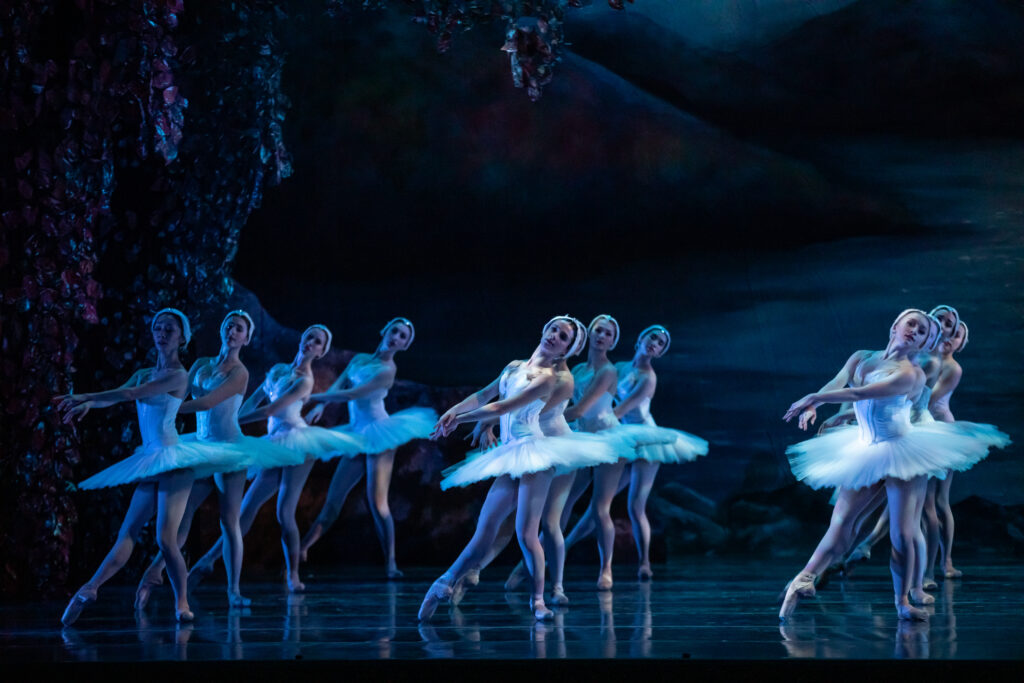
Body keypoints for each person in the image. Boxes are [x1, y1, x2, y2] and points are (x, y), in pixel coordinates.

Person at [779, 309, 993, 621]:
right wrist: (819, 403)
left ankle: (903, 601)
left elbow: (859, 393)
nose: (914, 331)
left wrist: (814, 399)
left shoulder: (912, 374)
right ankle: (804, 579)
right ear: (895, 325)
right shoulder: (861, 357)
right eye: (911, 324)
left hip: (903, 450)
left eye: (921, 332)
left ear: (922, 345)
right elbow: (839, 383)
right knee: (841, 526)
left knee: (903, 534)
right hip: (865, 448)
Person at [418, 316, 616, 621]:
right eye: (553, 329)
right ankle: (443, 582)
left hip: (534, 454)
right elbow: (485, 396)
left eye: (563, 337)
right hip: (511, 454)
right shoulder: (512, 367)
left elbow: (502, 408)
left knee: (526, 533)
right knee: (484, 531)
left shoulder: (550, 378)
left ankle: (539, 600)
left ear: (566, 350)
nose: (554, 336)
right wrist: (453, 410)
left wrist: (460, 420)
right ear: (543, 329)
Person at [57, 309, 233, 624]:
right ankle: (90, 588)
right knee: (127, 532)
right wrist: (90, 404)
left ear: (182, 338)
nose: (162, 333)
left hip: (174, 460)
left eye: (169, 329)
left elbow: (131, 394)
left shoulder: (178, 375)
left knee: (166, 539)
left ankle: (181, 602)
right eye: (158, 327)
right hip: (151, 459)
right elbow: (120, 394)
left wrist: (86, 393)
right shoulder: (144, 372)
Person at [133, 310, 300, 609]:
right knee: (184, 515)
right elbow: (185, 392)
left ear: (246, 338)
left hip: (228, 450)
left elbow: (208, 402)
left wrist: (168, 410)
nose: (232, 331)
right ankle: (155, 571)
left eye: (239, 329)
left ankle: (233, 590)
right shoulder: (199, 365)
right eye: (228, 325)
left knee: (228, 520)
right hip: (200, 446)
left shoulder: (240, 372)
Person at [187, 324, 365, 593]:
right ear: (302, 338)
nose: (310, 343)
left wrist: (233, 422)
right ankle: (207, 561)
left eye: (317, 342)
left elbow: (270, 409)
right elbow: (254, 400)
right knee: (247, 508)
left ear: (321, 352)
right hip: (274, 444)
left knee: (285, 512)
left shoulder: (305, 380)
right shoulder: (279, 370)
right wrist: (232, 423)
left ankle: (293, 573)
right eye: (309, 337)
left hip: (297, 444)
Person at [299, 318, 436, 578]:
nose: (396, 337)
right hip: (356, 434)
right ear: (384, 330)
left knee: (378, 504)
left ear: (405, 345)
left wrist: (313, 397)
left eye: (403, 336)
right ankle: (302, 549)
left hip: (379, 434)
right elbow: (341, 386)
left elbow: (353, 394)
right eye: (394, 331)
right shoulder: (360, 359)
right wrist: (319, 406)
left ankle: (391, 563)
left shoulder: (388, 370)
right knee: (332, 501)